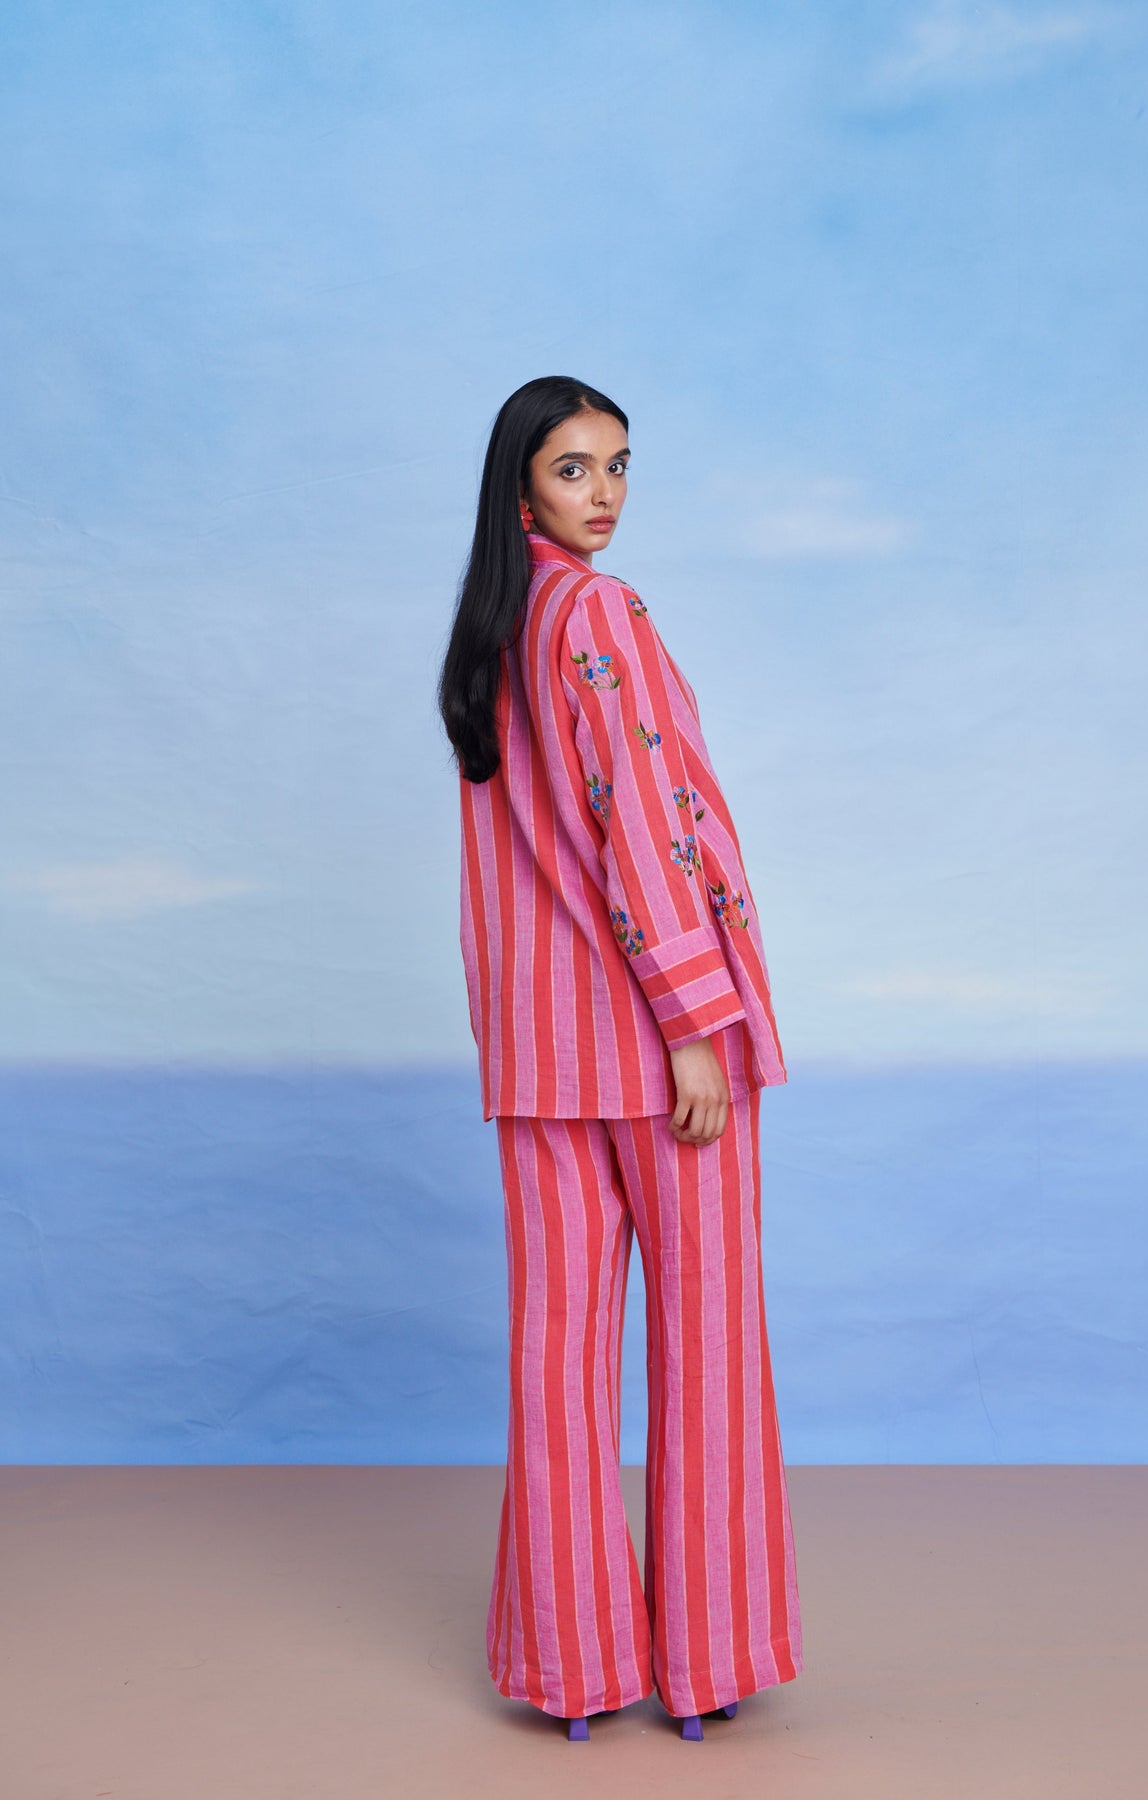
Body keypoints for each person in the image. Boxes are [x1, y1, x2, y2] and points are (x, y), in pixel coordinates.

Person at [438, 375, 803, 1741]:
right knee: (709, 1350)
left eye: (620, 466)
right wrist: (697, 1027)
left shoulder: (491, 633)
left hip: (538, 1050)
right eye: (575, 469)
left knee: (556, 1359)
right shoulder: (597, 613)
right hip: (655, 1047)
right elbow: (644, 828)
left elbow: (513, 866)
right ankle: (707, 1663)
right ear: (521, 487)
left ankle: (574, 1670)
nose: (605, 495)